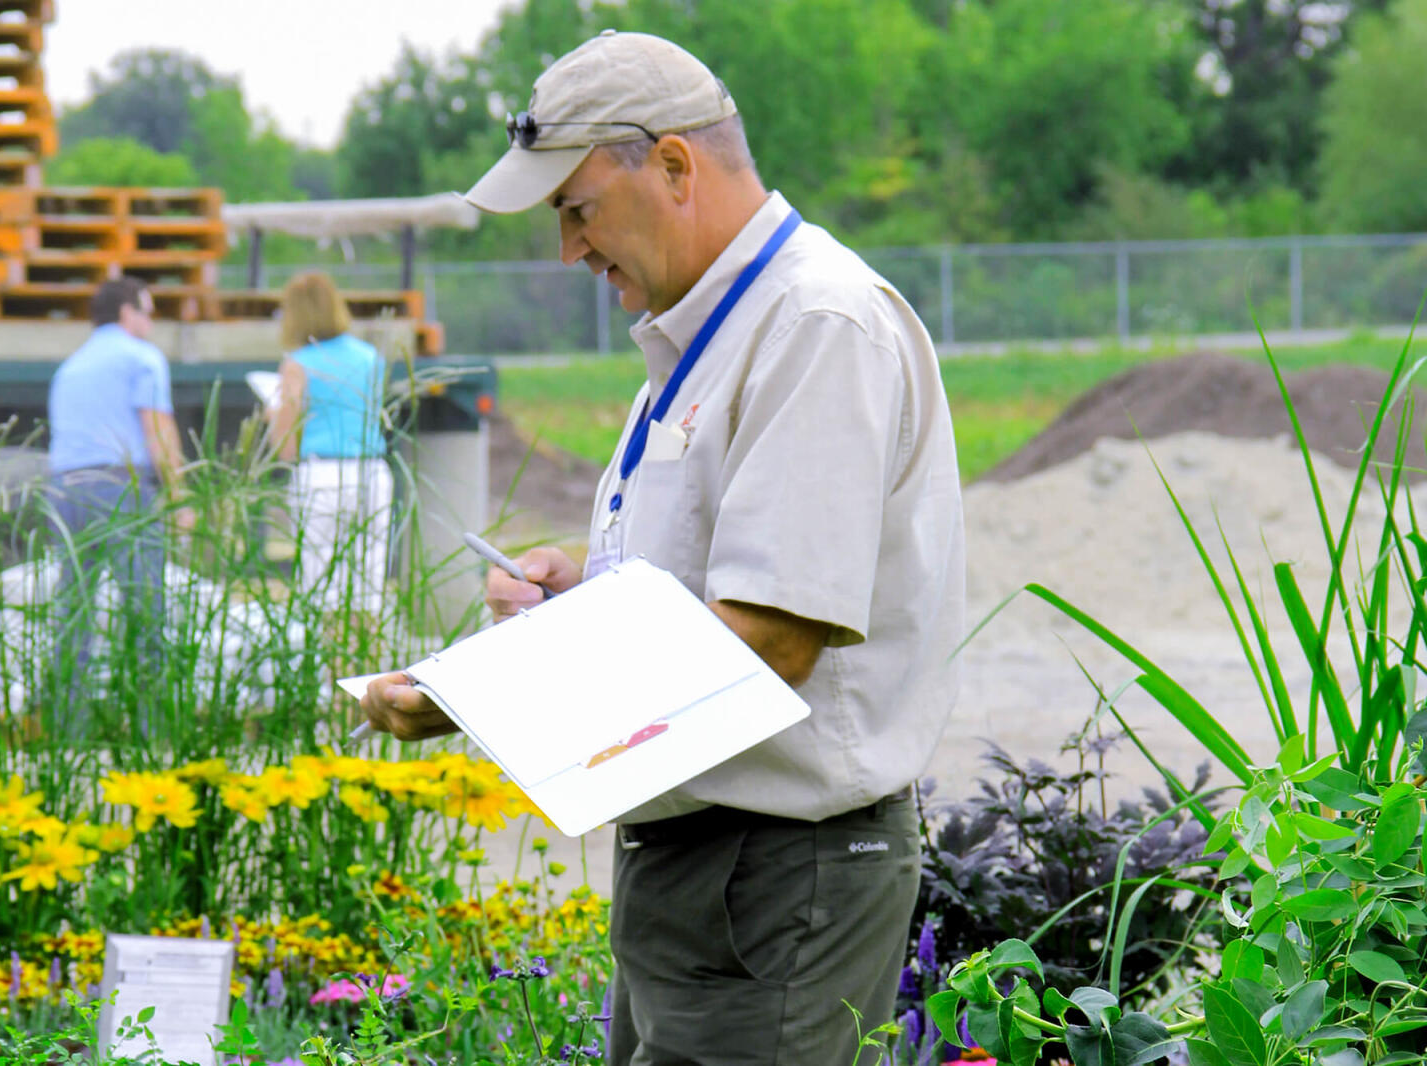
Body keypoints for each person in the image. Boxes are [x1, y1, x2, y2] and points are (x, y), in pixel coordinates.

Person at [356, 30, 965, 1065]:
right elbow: (724, 585)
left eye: (575, 209)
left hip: (777, 875)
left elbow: (770, 636)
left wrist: (482, 691)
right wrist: (586, 593)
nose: (569, 250)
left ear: (675, 166)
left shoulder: (817, 322)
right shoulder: (715, 326)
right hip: (712, 870)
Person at [46, 277, 190, 735]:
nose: (151, 323)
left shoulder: (70, 366)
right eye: (148, 312)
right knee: (145, 608)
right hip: (120, 487)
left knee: (73, 610)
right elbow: (158, 430)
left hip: (63, 490)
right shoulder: (141, 357)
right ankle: (153, 732)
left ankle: (68, 732)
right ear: (128, 314)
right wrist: (182, 496)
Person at [266, 272, 391, 615]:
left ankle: (330, 664)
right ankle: (368, 659)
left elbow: (286, 446)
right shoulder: (370, 358)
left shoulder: (298, 363)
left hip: (322, 475)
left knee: (321, 584)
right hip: (371, 473)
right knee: (369, 581)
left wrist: (272, 416)